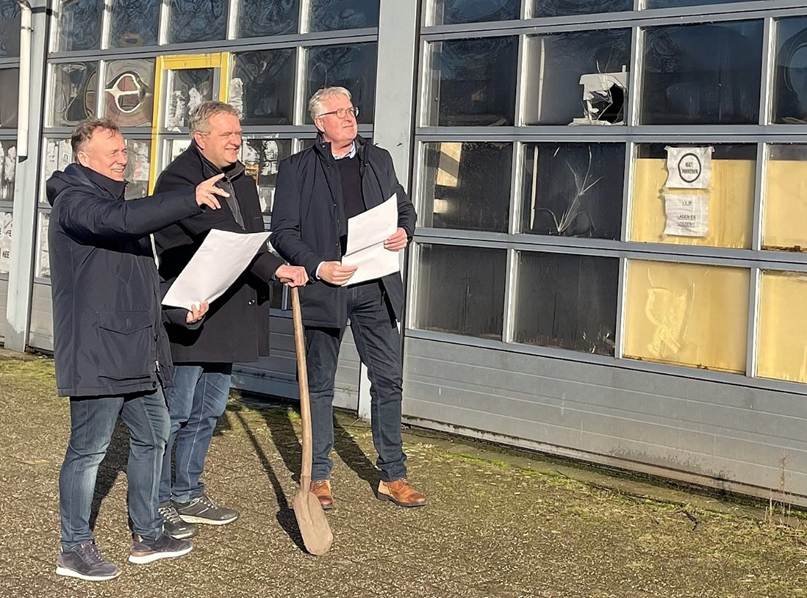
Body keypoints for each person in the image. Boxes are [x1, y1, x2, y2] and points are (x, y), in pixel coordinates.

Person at [47, 118, 227, 581]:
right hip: (98, 353)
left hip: (135, 353)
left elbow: (139, 282)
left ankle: (148, 534)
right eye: (113, 150)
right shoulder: (75, 203)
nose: (123, 157)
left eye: (125, 149)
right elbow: (120, 221)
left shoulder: (118, 204)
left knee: (155, 433)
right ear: (84, 157)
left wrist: (177, 311)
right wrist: (188, 197)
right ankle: (73, 548)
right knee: (88, 450)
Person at [153, 101, 308, 539]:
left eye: (238, 133)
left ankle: (188, 491)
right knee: (177, 411)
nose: (237, 141)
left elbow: (252, 236)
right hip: (193, 310)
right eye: (227, 135)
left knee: (208, 411)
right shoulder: (180, 180)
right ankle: (160, 497)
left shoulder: (240, 177)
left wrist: (274, 264)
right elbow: (222, 237)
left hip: (231, 313)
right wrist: (275, 268)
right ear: (200, 138)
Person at [271, 87, 426, 510]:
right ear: (320, 124)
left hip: (374, 288)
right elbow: (283, 232)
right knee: (319, 385)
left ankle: (393, 474)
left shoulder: (379, 160)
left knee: (388, 379)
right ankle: (318, 475)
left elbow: (406, 210)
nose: (348, 118)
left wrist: (404, 232)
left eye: (351, 110)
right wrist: (317, 265)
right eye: (337, 113)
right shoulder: (296, 169)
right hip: (326, 289)